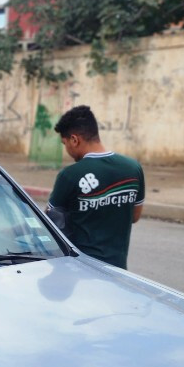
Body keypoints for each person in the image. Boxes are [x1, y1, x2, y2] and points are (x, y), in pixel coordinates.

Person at [46, 105, 144, 269]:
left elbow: (50, 224)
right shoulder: (133, 168)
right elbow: (134, 216)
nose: (67, 150)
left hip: (82, 270)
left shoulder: (70, 175)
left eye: (65, 143)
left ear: (74, 139)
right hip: (118, 270)